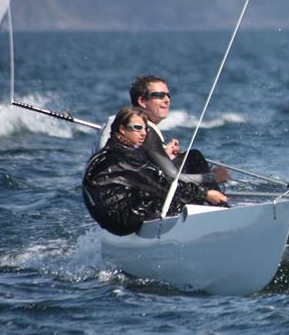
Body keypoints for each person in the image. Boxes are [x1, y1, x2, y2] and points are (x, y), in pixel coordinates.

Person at [83, 106, 228, 236]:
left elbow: (142, 175)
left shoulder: (111, 152)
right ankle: (223, 218)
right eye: (138, 128)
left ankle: (218, 210)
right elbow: (164, 185)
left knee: (173, 188)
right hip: (124, 221)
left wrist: (164, 154)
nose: (143, 133)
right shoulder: (123, 157)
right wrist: (205, 194)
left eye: (145, 128)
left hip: (114, 218)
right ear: (122, 129)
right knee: (179, 194)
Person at [96, 74, 229, 189]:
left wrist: (161, 154)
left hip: (103, 201)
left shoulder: (116, 122)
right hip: (131, 201)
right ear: (142, 101)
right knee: (193, 158)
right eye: (159, 95)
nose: (167, 100)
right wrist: (212, 177)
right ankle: (219, 207)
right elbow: (172, 177)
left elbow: (133, 160)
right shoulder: (146, 129)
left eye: (168, 95)